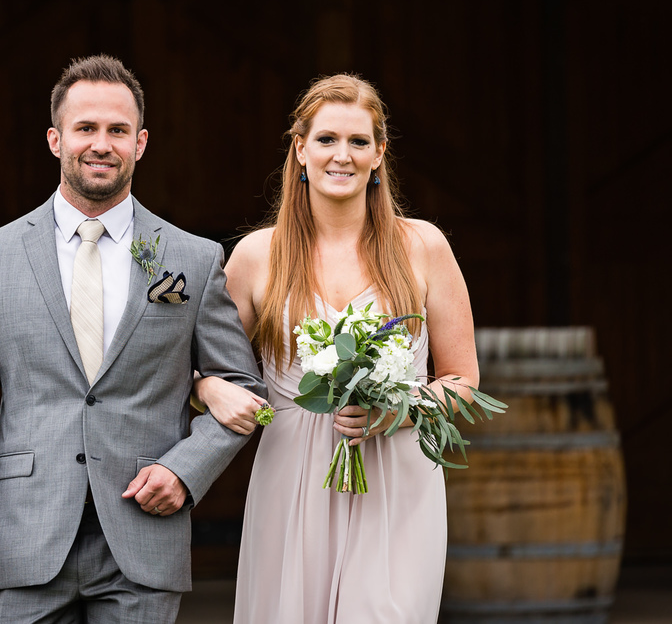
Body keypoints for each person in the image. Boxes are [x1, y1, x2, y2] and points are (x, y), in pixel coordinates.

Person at [0, 54, 266, 623]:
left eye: (117, 131)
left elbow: (242, 388)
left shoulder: (195, 259)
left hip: (142, 534)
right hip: (27, 533)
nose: (101, 144)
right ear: (56, 139)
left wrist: (186, 470)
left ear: (141, 143)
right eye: (86, 128)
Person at [194, 73, 480, 623]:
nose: (341, 156)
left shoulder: (423, 247)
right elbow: (202, 370)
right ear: (300, 149)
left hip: (397, 481)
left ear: (379, 153)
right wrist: (207, 386)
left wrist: (398, 410)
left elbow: (463, 382)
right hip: (291, 479)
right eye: (326, 139)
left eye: (358, 142)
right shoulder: (258, 256)